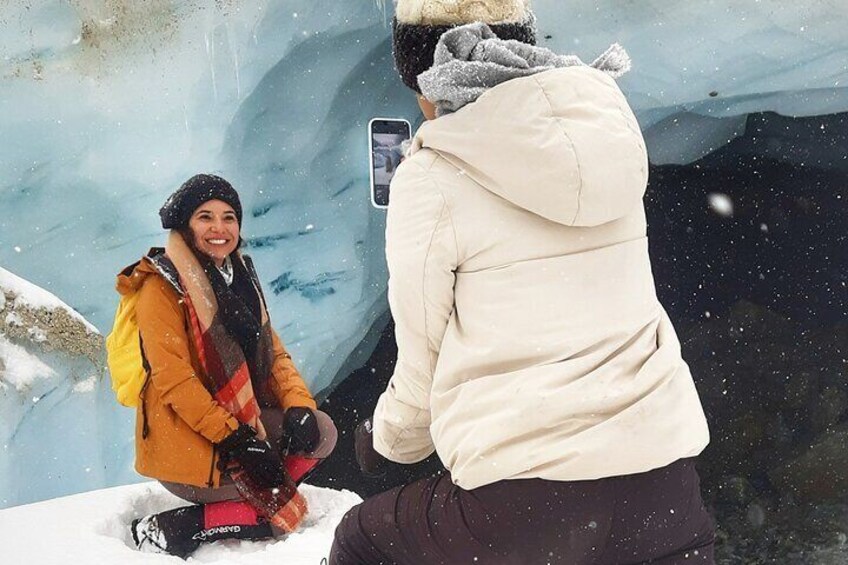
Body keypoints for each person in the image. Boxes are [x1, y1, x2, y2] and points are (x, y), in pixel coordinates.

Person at [331, 1, 715, 563]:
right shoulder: (611, 140)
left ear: (424, 77)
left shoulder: (431, 176)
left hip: (530, 508)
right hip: (665, 493)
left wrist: (385, 440)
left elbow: (423, 364)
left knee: (360, 538)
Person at [115, 174, 336, 558]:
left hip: (238, 422)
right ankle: (171, 527)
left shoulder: (238, 280)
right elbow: (176, 382)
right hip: (186, 442)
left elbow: (276, 355)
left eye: (229, 217)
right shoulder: (160, 286)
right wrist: (239, 441)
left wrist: (299, 405)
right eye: (205, 217)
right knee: (268, 512)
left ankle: (259, 499)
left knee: (322, 432)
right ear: (185, 225)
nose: (219, 228)